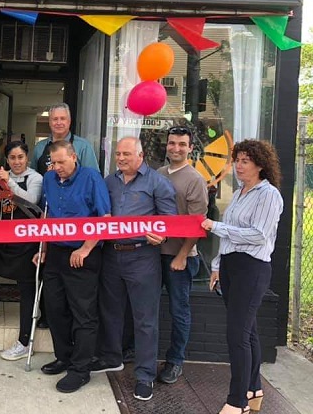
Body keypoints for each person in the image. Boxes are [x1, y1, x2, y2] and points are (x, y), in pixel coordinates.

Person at [201, 140, 283, 414]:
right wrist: (216, 265)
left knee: (237, 335)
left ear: (260, 165)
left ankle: (237, 401)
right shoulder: (238, 193)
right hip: (230, 266)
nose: (238, 165)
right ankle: (253, 388)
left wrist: (216, 226)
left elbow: (259, 235)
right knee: (248, 332)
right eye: (237, 160)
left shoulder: (268, 195)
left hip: (252, 268)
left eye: (245, 161)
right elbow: (230, 235)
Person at [94, 136, 177, 402]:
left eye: (126, 154)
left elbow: (169, 221)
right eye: (118, 154)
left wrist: (162, 235)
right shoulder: (109, 182)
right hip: (111, 255)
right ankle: (112, 357)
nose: (120, 158)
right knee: (111, 311)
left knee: (145, 319)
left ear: (140, 155)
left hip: (142, 257)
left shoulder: (157, 182)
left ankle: (145, 376)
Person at [37, 140, 111, 393]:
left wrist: (86, 248)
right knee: (55, 309)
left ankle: (80, 369)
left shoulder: (91, 178)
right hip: (56, 252)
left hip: (82, 253)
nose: (57, 167)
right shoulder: (49, 179)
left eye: (61, 162)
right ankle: (64, 357)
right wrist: (43, 248)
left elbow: (104, 218)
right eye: (53, 162)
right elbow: (46, 215)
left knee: (83, 314)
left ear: (74, 157)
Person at [157, 127, 208, 384]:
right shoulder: (159, 173)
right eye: (172, 143)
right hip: (155, 254)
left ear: (190, 148)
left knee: (179, 310)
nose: (176, 148)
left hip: (179, 257)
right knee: (147, 307)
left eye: (182, 144)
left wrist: (182, 255)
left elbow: (198, 224)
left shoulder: (195, 179)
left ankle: (175, 360)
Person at [0, 141, 43, 361]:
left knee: (27, 290)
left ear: (27, 158)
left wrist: (9, 181)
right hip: (5, 240)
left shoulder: (35, 178)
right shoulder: (1, 178)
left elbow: (31, 200)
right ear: (7, 160)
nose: (16, 162)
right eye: (12, 158)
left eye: (20, 157)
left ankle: (24, 341)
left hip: (27, 243)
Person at [31, 102, 99, 175]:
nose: (59, 122)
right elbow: (33, 176)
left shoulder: (83, 146)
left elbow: (93, 177)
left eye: (63, 118)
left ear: (69, 121)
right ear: (49, 122)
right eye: (55, 119)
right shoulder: (39, 147)